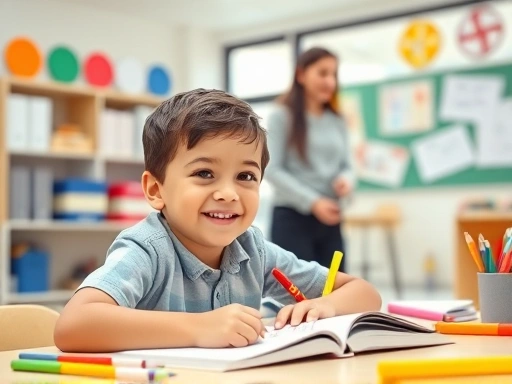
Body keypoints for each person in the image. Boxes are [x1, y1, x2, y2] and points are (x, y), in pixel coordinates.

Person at [54, 89, 381, 353]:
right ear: (156, 190)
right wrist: (199, 328)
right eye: (204, 173)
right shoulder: (147, 249)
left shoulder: (253, 251)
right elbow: (73, 325)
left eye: (245, 176)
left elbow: (363, 292)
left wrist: (326, 307)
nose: (228, 193)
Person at [265, 47, 354, 271]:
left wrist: (346, 179)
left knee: (335, 291)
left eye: (334, 74)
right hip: (293, 218)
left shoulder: (338, 120)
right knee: (298, 298)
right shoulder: (281, 116)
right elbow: (272, 170)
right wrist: (314, 202)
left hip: (330, 219)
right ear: (301, 75)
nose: (330, 82)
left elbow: (347, 166)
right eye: (323, 73)